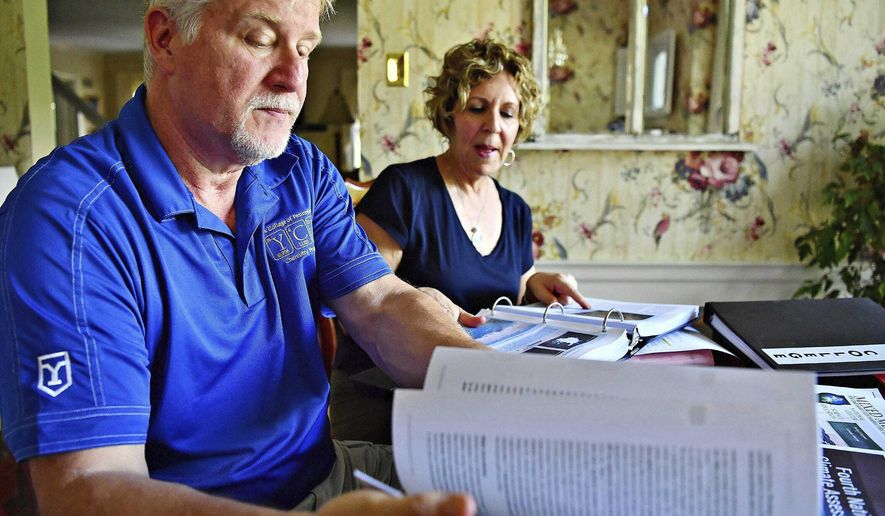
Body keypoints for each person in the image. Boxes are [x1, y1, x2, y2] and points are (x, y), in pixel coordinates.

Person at [0, 0, 484, 514]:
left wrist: (505, 386)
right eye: (260, 40)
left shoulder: (299, 169)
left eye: (304, 49)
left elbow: (381, 305)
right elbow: (85, 490)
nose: (293, 79)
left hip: (329, 471)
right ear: (165, 39)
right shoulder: (70, 218)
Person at [330, 39, 588, 443]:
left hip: (481, 401)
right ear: (449, 113)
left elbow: (509, 305)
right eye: (477, 108)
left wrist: (537, 280)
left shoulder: (516, 210)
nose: (493, 126)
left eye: (508, 113)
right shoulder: (404, 189)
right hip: (393, 401)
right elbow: (356, 307)